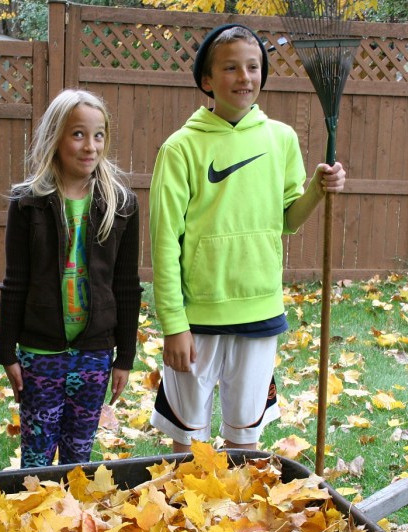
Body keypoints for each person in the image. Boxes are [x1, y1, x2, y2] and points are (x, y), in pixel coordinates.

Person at [149, 24, 346, 454]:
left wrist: (317, 189)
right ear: (207, 80)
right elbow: (164, 244)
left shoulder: (281, 139)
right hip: (198, 318)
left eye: (253, 67)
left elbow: (288, 220)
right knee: (188, 441)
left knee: (245, 440)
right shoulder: (180, 148)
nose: (244, 77)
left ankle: (239, 501)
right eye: (231, 68)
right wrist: (174, 324)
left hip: (260, 310)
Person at [0, 89, 142, 468]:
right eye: (78, 134)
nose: (90, 146)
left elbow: (127, 286)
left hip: (95, 352)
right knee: (37, 455)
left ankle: (73, 507)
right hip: (40, 352)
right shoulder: (28, 202)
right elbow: (15, 281)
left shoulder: (120, 204)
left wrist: (125, 357)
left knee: (79, 455)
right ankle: (35, 505)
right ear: (55, 138)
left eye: (98, 135)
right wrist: (6, 351)